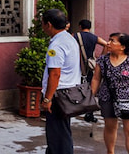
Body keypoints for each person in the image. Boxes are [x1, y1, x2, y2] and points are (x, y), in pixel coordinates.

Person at [91, 33, 129, 154]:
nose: (108, 43)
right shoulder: (102, 60)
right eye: (109, 40)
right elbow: (96, 79)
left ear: (123, 46)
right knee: (110, 127)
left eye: (112, 41)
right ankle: (110, 151)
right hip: (107, 98)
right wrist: (91, 96)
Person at [40, 9, 81, 154]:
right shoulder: (69, 39)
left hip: (59, 94)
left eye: (42, 23)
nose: (42, 27)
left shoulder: (56, 46)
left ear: (48, 24)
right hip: (69, 91)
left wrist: (47, 98)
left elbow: (55, 74)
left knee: (58, 134)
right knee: (60, 131)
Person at [76, 19, 107, 123]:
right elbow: (107, 44)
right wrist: (101, 58)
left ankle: (76, 108)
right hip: (90, 66)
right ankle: (89, 112)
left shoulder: (75, 36)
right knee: (90, 88)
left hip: (78, 65)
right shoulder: (94, 37)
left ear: (80, 26)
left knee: (76, 87)